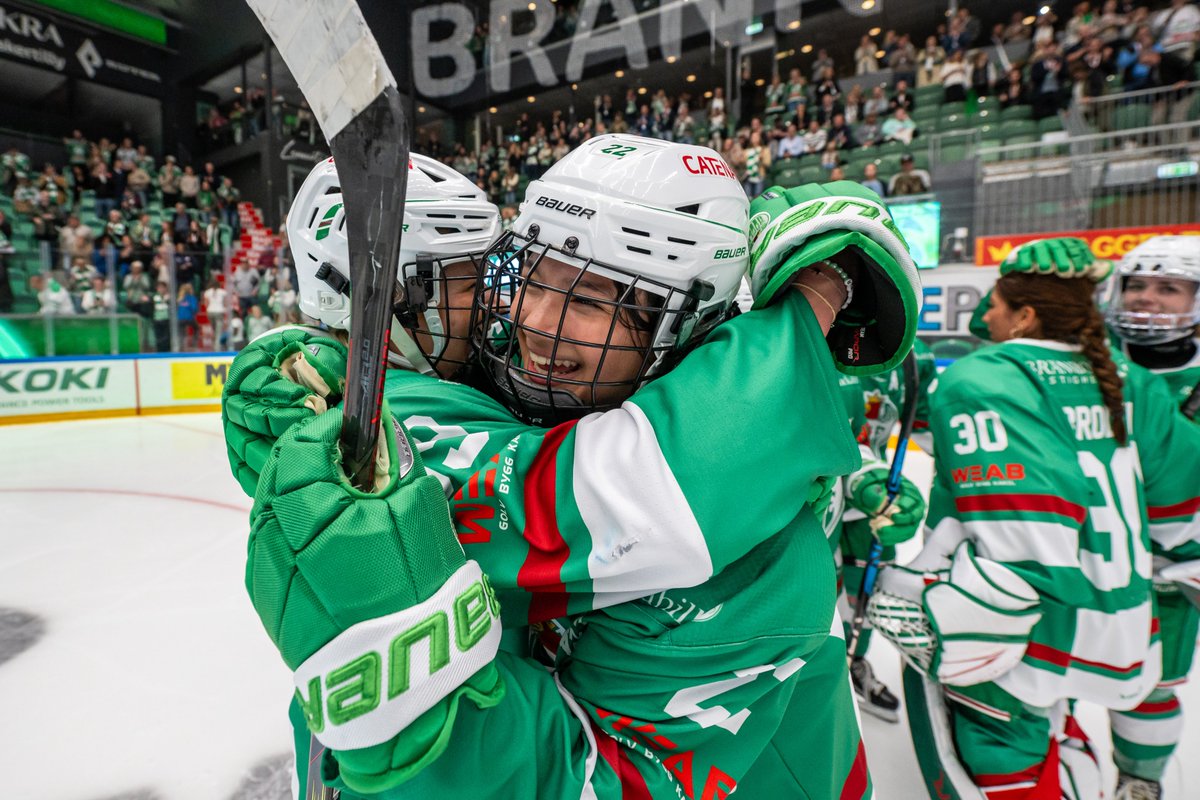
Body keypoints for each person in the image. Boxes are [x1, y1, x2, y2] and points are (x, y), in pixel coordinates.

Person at [224, 140, 921, 797]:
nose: (533, 322)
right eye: (530, 276)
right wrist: (321, 351)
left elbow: (598, 779)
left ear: (685, 323)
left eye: (590, 299)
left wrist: (413, 707)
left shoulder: (746, 567)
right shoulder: (547, 396)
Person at [868, 238, 1200, 800]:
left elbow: (1025, 536)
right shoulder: (1132, 379)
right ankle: (1128, 779)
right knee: (1142, 694)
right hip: (1126, 610)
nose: (983, 316)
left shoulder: (983, 379)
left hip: (1023, 620)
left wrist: (921, 591)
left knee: (1002, 747)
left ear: (1023, 313)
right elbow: (1181, 515)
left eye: (995, 302)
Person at [1103, 236, 1200, 800]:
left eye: (1169, 287)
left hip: (1168, 569)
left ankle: (1140, 780)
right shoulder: (1086, 361)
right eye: (1137, 284)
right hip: (1083, 555)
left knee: (1151, 687)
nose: (1148, 299)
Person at [836, 339, 937, 721]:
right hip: (814, 498)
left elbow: (927, 425)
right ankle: (816, 676)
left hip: (875, 502)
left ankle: (854, 663)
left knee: (867, 593)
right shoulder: (821, 338)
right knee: (816, 596)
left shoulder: (916, 354)